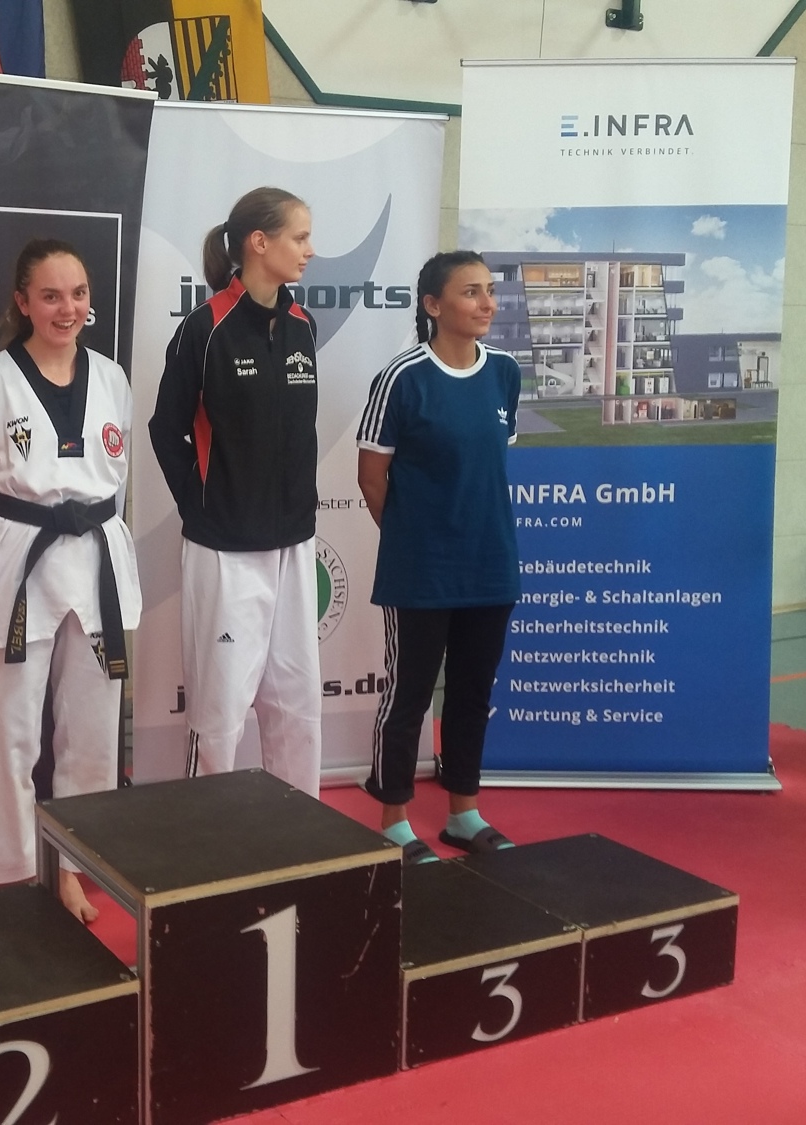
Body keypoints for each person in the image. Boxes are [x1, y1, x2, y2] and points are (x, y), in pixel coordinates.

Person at [0, 239, 140, 924]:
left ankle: (78, 866)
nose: (68, 308)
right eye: (51, 295)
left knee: (92, 730)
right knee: (12, 732)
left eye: (78, 293)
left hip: (96, 562)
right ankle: (17, 872)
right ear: (22, 302)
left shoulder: (111, 377)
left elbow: (120, 485)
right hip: (19, 564)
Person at [148, 187, 322, 796]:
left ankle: (300, 831)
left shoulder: (303, 326)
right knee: (220, 713)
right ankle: (208, 836)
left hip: (294, 545)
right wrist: (204, 507)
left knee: (297, 704)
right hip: (225, 552)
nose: (310, 249)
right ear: (259, 242)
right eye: (300, 237)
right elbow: (166, 429)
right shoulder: (205, 328)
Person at [354, 250, 521, 865]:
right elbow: (372, 477)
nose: (487, 303)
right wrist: (413, 539)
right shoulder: (403, 378)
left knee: (473, 693)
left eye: (489, 290)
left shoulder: (504, 372)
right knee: (409, 696)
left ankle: (462, 815)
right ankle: (394, 822)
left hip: (491, 566)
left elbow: (490, 462)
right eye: (470, 292)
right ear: (433, 305)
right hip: (421, 573)